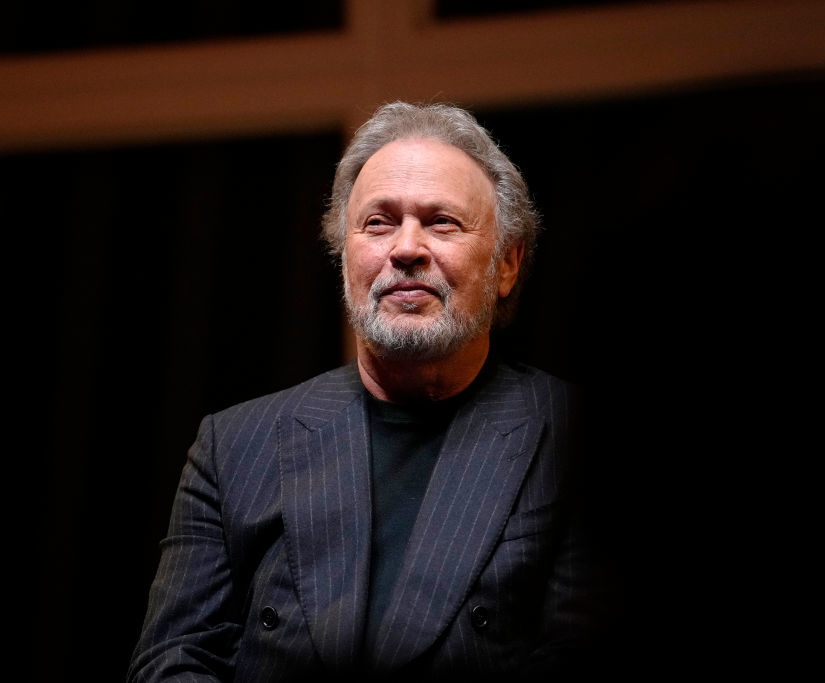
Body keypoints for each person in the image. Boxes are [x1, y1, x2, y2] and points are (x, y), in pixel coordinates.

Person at [127, 101, 605, 682]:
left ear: (507, 264)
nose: (405, 248)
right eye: (378, 223)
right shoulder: (233, 447)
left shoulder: (578, 436)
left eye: (441, 222)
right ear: (346, 254)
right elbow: (172, 664)